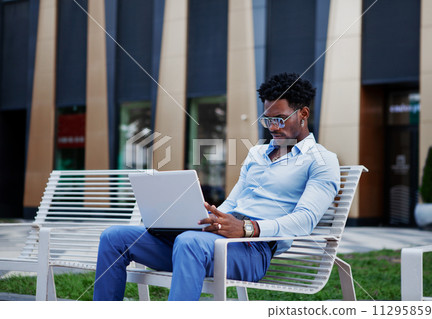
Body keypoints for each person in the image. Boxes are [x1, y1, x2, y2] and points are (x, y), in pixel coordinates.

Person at [93, 72, 340, 301]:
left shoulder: (321, 161)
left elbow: (305, 220)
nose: (273, 127)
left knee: (189, 242)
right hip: (210, 242)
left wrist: (247, 228)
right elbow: (232, 203)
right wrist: (207, 217)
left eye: (279, 119)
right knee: (114, 237)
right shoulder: (257, 154)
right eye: (267, 119)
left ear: (304, 114)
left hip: (254, 250)